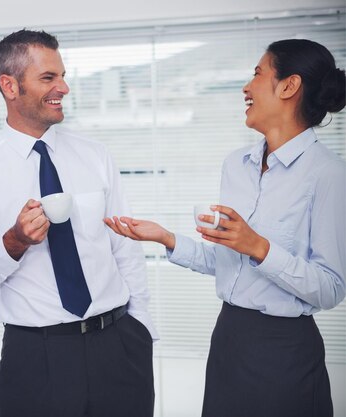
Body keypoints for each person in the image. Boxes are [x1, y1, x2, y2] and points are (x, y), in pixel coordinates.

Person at [105, 38, 346, 417]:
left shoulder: (328, 174)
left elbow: (331, 288)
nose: (246, 88)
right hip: (229, 339)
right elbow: (226, 261)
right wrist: (165, 238)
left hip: (286, 352)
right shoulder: (237, 165)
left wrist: (259, 248)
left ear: (289, 86)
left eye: (257, 74)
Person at [0, 29, 157, 417]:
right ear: (10, 86)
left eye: (62, 75)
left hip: (118, 348)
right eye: (48, 78)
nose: (64, 87)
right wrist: (13, 242)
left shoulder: (96, 156)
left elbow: (124, 247)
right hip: (35, 359)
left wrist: (140, 330)